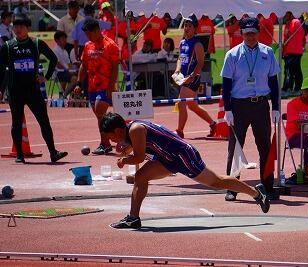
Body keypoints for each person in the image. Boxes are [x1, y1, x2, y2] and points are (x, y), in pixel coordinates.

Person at [99, 112, 271, 229]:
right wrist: (126, 149)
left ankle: (256, 193)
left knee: (216, 182)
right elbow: (137, 148)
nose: (111, 141)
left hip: (182, 154)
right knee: (141, 176)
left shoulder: (136, 129)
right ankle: (133, 218)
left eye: (110, 137)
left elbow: (138, 156)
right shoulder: (130, 130)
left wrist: (124, 159)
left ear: (118, 130)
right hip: (167, 157)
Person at [221, 17, 280, 201]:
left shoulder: (268, 52)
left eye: (253, 33)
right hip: (239, 106)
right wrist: (228, 109)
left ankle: (268, 185)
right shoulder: (232, 54)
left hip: (261, 105)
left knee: (265, 147)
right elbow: (226, 83)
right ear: (242, 34)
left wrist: (276, 107)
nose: (250, 37)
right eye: (247, 33)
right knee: (235, 147)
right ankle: (232, 187)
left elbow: (273, 82)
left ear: (258, 32)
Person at [0, 14, 68, 163]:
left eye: (21, 27)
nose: (18, 29)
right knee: (16, 122)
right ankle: (19, 155)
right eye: (15, 27)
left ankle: (53, 152)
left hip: (33, 90)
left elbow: (53, 59)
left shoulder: (36, 43)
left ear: (28, 28)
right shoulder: (8, 46)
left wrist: (46, 77)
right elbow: (1, 69)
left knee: (44, 121)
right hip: (15, 91)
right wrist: (1, 89)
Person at [73, 18, 119, 155]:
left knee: (100, 111)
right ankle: (110, 140)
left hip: (105, 86)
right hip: (92, 87)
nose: (87, 37)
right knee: (100, 116)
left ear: (97, 31)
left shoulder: (110, 45)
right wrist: (79, 83)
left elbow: (116, 67)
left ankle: (105, 143)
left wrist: (111, 86)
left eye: (89, 34)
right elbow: (83, 65)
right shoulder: (88, 45)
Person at [173, 16, 216, 139]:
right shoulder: (182, 42)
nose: (186, 28)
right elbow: (180, 58)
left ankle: (179, 131)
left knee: (181, 102)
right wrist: (177, 70)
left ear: (195, 29)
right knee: (192, 106)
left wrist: (192, 76)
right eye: (185, 25)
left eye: (189, 26)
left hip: (193, 78)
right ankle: (213, 124)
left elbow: (201, 62)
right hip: (183, 77)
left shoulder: (197, 44)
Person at [281, 11, 305, 98]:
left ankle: (287, 89)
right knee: (295, 70)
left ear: (290, 14)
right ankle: (296, 89)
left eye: (286, 14)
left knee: (289, 71)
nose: (284, 16)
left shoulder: (294, 22)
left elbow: (289, 34)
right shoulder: (291, 23)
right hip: (292, 51)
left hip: (293, 51)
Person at [53, 30, 78, 98]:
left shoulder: (65, 51)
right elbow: (57, 65)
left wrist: (73, 69)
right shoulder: (55, 51)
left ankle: (73, 95)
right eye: (63, 38)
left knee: (79, 75)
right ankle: (64, 95)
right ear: (57, 40)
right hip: (58, 73)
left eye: (65, 38)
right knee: (75, 79)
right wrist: (68, 70)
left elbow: (69, 64)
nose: (65, 40)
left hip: (65, 72)